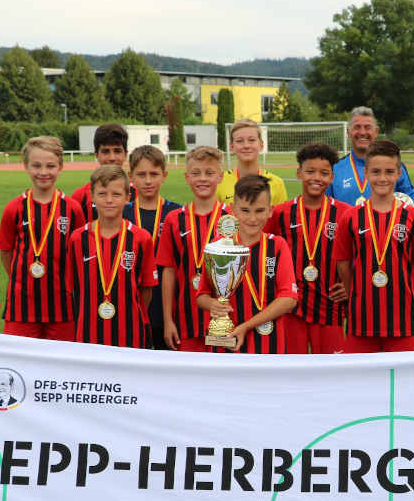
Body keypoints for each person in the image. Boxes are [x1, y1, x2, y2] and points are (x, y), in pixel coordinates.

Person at [334, 140, 414, 353]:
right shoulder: (350, 217)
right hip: (361, 319)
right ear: (367, 173)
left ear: (398, 174)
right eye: (376, 172)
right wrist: (356, 293)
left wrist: (405, 290)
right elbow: (343, 263)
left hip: (402, 320)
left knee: (405, 383)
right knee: (359, 382)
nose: (382, 178)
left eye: (389, 172)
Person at [265, 143, 352, 354]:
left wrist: (351, 285)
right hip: (292, 308)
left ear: (332, 177)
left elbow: (360, 255)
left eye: (324, 173)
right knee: (293, 372)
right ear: (298, 173)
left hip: (331, 306)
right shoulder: (280, 213)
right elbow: (264, 253)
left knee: (333, 373)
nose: (317, 178)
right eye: (310, 171)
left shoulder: (346, 213)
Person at [197, 174, 298, 353]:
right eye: (245, 210)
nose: (252, 218)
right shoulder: (218, 247)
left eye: (259, 210)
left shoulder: (277, 245)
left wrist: (247, 326)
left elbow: (288, 298)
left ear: (270, 210)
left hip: (268, 341)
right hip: (225, 340)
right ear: (233, 210)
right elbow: (202, 295)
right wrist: (212, 304)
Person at [0, 136, 85, 340]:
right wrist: (23, 281)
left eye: (50, 166)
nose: (44, 172)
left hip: (63, 307)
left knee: (62, 368)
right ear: (26, 167)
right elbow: (6, 252)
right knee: (19, 365)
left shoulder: (72, 209)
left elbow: (79, 255)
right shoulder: (14, 208)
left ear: (60, 167)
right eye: (36, 165)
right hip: (22, 307)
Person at [66, 166, 157, 348]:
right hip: (88, 334)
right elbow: (73, 289)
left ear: (128, 197)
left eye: (116, 194)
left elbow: (146, 290)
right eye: (102, 194)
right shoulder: (77, 238)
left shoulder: (141, 238)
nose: (109, 200)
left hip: (131, 334)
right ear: (92, 196)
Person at [155, 146, 231, 352]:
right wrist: (168, 320)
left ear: (220, 177)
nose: (203, 179)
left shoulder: (232, 219)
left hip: (225, 321)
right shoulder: (174, 219)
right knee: (190, 380)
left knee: (220, 378)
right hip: (185, 320)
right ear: (187, 177)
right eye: (196, 173)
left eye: (210, 173)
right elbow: (168, 272)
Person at [122, 145, 181, 349]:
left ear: (164, 176)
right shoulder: (121, 214)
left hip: (167, 304)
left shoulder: (176, 213)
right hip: (131, 302)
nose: (148, 181)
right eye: (141, 174)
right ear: (131, 176)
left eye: (154, 174)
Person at [327, 107, 414, 208]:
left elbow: (412, 202)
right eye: (357, 127)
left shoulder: (393, 166)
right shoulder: (335, 168)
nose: (362, 132)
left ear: (376, 132)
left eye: (367, 127)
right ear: (348, 132)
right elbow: (325, 206)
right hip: (345, 224)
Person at [215, 119, 288, 206]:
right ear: (232, 147)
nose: (246, 145)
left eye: (251, 140)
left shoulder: (276, 183)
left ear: (261, 145)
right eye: (239, 141)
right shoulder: (218, 182)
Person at [70, 123, 133, 223]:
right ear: (96, 155)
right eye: (105, 151)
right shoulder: (80, 196)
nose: (112, 158)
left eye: (117, 151)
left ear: (125, 154)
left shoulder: (138, 194)